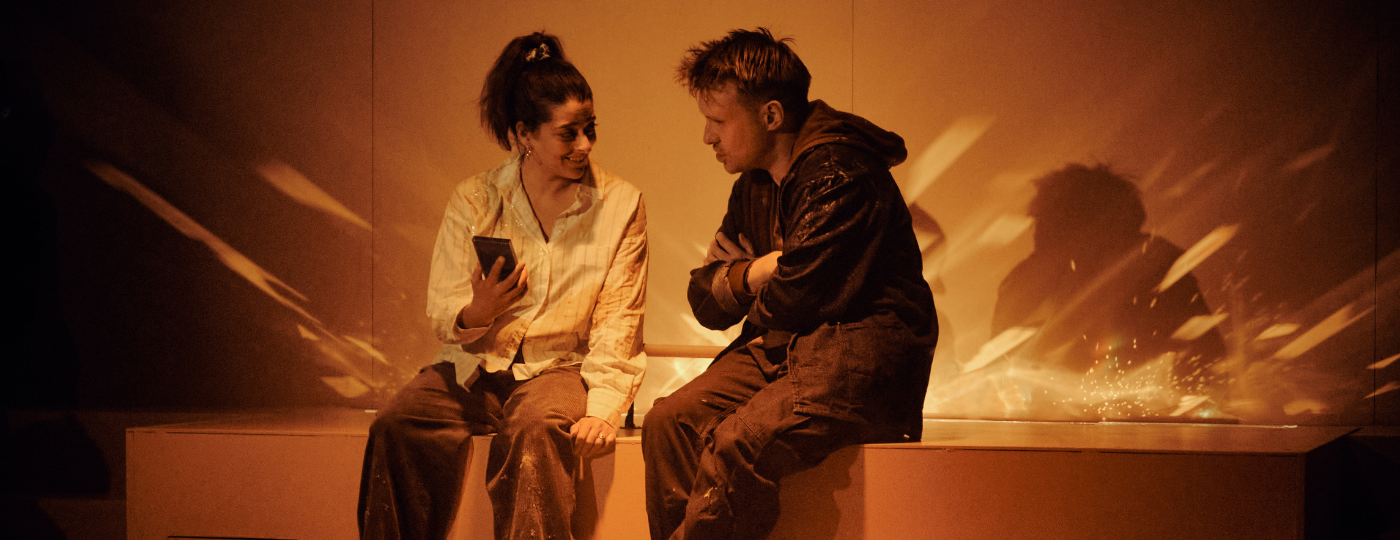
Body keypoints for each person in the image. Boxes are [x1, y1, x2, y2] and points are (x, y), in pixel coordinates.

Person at [642, 28, 937, 540]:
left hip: (862, 351)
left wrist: (752, 280)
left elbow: (800, 294)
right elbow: (704, 301)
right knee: (669, 422)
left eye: (717, 121)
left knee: (740, 439)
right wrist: (759, 270)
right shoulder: (753, 185)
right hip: (787, 349)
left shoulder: (837, 171)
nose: (707, 137)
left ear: (771, 115)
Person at [357, 32, 648, 540]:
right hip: (476, 366)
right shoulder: (476, 198)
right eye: (568, 133)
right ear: (524, 135)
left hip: (557, 368)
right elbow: (443, 307)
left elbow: (620, 316)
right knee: (397, 426)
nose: (584, 145)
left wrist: (604, 407)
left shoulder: (620, 204)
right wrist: (479, 310)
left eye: (589, 129)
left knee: (533, 431)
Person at [992, 163, 1224, 417]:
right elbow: (1000, 376)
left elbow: (1206, 363)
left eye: (1042, 222)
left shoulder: (1157, 264)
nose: (1036, 234)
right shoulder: (1028, 280)